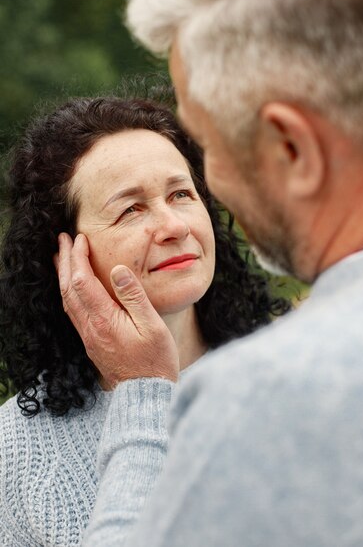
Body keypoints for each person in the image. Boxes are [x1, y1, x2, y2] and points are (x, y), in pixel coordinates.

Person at [57, 0, 363, 545]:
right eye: (130, 208)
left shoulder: (264, 397)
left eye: (208, 154)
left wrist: (143, 397)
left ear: (291, 147)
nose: (209, 192)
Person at [0, 94, 289, 547]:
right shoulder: (14, 449)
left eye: (181, 194)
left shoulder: (303, 374)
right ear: (65, 257)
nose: (174, 225)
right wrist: (145, 388)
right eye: (130, 209)